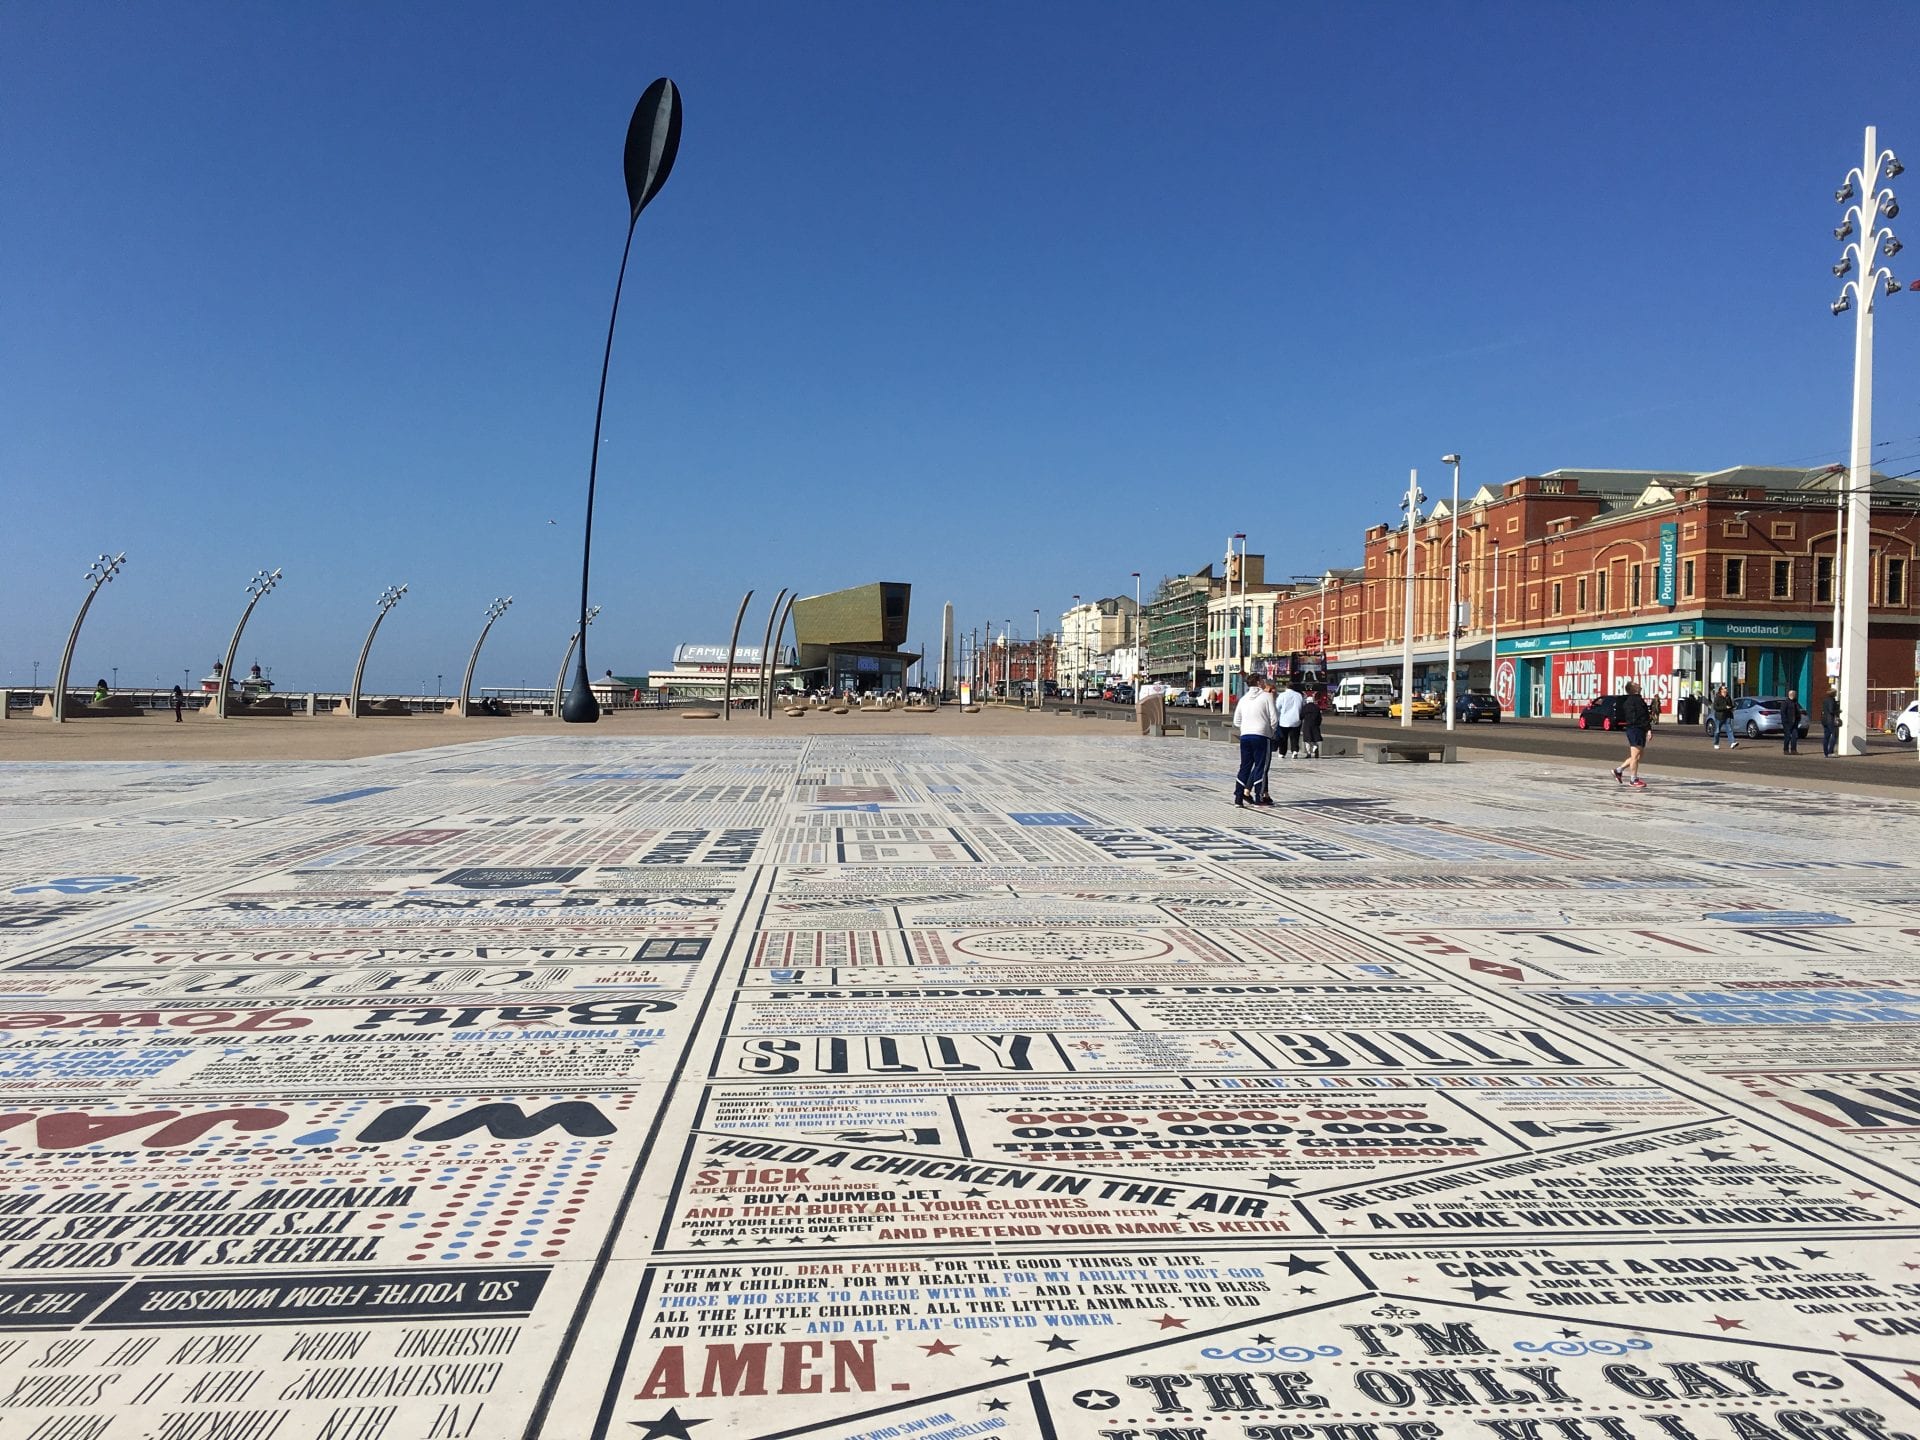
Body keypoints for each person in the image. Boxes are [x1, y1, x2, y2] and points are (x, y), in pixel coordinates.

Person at [1230, 676, 1276, 808]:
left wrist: (1245, 728)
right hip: (1261, 735)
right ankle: (1258, 797)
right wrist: (1270, 732)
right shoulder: (1267, 697)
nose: (1264, 683)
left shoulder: (1243, 699)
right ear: (1258, 683)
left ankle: (1238, 798)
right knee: (1261, 766)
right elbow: (1274, 719)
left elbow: (1236, 721)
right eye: (1262, 681)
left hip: (1245, 736)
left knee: (1245, 766)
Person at [1612, 680, 1652, 790]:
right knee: (1635, 756)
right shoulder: (1637, 701)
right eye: (1636, 684)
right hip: (1636, 729)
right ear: (1633, 688)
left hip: (1634, 729)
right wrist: (1648, 729)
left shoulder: (1628, 701)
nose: (1639, 684)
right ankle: (1633, 779)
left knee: (1639, 755)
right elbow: (1643, 716)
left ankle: (1618, 770)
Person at [1273, 676, 1304, 761]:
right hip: (1296, 719)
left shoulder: (1282, 695)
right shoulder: (1299, 695)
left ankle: (1282, 752)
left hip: (1284, 720)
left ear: (1286, 687)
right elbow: (1302, 707)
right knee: (1295, 737)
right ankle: (1295, 751)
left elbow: (1277, 707)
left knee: (1283, 737)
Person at [1709, 684, 1736, 750]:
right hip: (1719, 717)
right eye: (1724, 690)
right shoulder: (1717, 697)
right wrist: (1725, 707)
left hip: (1727, 716)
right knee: (1717, 731)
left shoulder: (1728, 697)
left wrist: (1731, 707)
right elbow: (1715, 707)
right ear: (1721, 691)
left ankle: (1732, 743)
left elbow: (1730, 705)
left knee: (1729, 730)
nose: (1725, 691)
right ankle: (1716, 743)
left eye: (1726, 690)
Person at [1299, 687, 1323, 759]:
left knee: (1307, 740)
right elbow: (1320, 718)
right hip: (1315, 725)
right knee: (1314, 739)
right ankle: (1315, 748)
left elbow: (1301, 716)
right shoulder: (1316, 708)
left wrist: (1301, 719)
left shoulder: (1305, 707)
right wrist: (1318, 724)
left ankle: (1309, 753)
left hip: (1307, 725)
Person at [1780, 689, 1803, 755]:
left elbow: (1798, 711)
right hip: (1787, 723)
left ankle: (1793, 750)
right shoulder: (1785, 703)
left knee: (1794, 736)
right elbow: (1783, 713)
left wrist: (1798, 718)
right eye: (1794, 694)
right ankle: (1786, 750)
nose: (1795, 695)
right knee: (1787, 736)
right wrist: (1785, 721)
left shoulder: (1795, 702)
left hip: (1795, 722)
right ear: (1791, 695)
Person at [1822, 688, 1841, 758]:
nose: (1836, 694)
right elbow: (1831, 710)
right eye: (1835, 693)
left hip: (1824, 720)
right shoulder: (1832, 701)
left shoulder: (1825, 700)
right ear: (1833, 694)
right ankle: (1830, 751)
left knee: (1826, 736)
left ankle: (1825, 752)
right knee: (1834, 735)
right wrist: (1838, 711)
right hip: (1830, 720)